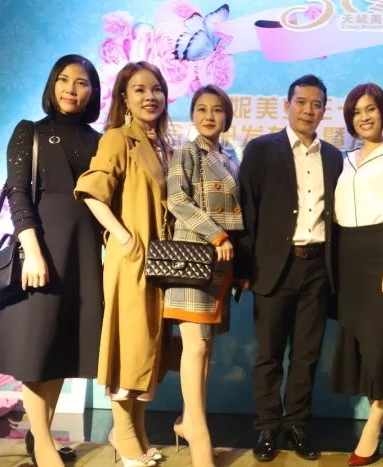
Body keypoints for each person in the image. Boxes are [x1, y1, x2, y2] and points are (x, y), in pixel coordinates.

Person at [0, 54, 104, 467]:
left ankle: (41, 437)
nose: (72, 89)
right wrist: (33, 250)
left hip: (83, 254)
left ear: (93, 91)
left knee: (60, 350)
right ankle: (45, 448)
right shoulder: (30, 131)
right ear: (52, 85)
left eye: (82, 82)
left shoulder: (99, 140)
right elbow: (17, 194)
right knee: (37, 350)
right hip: (42, 250)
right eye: (64, 80)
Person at [236, 74, 344, 462]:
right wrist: (244, 267)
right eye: (301, 102)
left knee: (306, 355)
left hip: (317, 269)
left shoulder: (334, 157)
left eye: (316, 104)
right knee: (268, 354)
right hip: (272, 269)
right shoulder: (262, 149)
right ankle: (267, 428)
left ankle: (297, 426)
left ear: (324, 110)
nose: (308, 110)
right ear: (287, 105)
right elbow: (247, 210)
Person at [74, 61, 175, 467]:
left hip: (161, 261)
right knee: (128, 345)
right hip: (132, 259)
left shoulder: (164, 145)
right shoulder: (118, 138)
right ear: (124, 98)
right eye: (140, 90)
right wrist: (125, 238)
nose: (151, 96)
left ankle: (136, 431)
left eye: (157, 88)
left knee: (149, 347)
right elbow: (92, 191)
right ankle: (124, 433)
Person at [330, 82, 383, 466]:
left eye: (371, 109)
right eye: (357, 111)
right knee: (363, 345)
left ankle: (373, 423)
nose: (364, 117)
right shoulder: (343, 160)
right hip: (348, 259)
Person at [165, 84, 244, 467]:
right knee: (195, 347)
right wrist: (215, 234)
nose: (209, 116)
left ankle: (187, 421)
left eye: (217, 109)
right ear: (193, 115)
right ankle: (199, 436)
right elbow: (176, 200)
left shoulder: (230, 158)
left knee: (205, 348)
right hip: (193, 256)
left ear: (227, 116)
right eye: (201, 109)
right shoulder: (186, 151)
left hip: (221, 262)